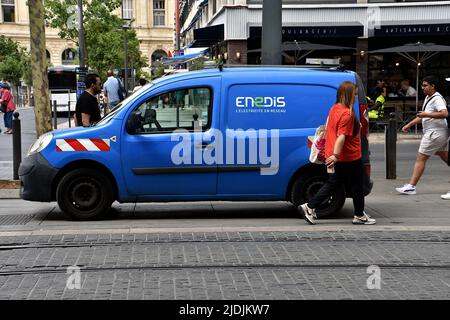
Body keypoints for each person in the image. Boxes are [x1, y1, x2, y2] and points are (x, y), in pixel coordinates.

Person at [299, 81, 376, 225]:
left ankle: (311, 207)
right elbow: (341, 136)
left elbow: (334, 128)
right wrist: (335, 155)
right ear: (348, 95)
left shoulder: (335, 108)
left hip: (339, 154)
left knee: (335, 183)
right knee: (356, 185)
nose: (355, 97)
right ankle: (358, 214)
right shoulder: (347, 114)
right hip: (348, 156)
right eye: (354, 94)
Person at [396, 75, 449, 195]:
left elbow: (444, 113)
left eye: (425, 85)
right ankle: (411, 186)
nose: (422, 88)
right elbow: (422, 116)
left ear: (432, 86)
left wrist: (426, 115)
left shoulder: (437, 99)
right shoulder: (428, 97)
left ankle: (411, 186)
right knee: (445, 156)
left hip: (435, 133)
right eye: (422, 85)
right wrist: (409, 124)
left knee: (421, 158)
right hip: (438, 133)